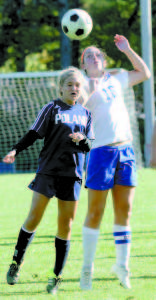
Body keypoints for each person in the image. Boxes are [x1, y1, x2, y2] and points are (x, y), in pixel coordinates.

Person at [3, 66, 94, 295]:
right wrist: (16, 150)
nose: (74, 88)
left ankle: (56, 276)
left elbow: (89, 146)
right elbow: (34, 133)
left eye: (78, 85)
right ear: (61, 87)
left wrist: (82, 139)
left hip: (72, 175)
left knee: (66, 225)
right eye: (70, 85)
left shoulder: (86, 114)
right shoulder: (52, 108)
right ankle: (16, 262)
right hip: (48, 172)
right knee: (34, 217)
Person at [78, 34, 151, 290]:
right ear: (84, 64)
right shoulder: (82, 85)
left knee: (125, 212)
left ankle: (122, 266)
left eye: (97, 54)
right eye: (88, 56)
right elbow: (76, 111)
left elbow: (144, 73)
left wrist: (128, 49)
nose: (94, 58)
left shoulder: (117, 79)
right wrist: (89, 92)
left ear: (104, 60)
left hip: (126, 151)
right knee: (95, 213)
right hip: (101, 153)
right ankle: (87, 269)